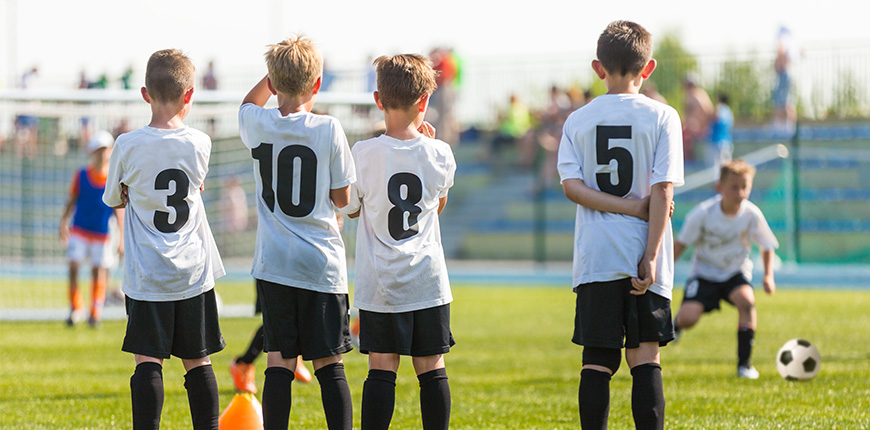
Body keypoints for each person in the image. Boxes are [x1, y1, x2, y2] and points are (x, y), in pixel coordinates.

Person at [557, 21, 684, 430]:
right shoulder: (664, 116)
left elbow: (572, 188)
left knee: (597, 359)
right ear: (648, 69)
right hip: (643, 254)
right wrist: (650, 254)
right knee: (645, 357)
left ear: (598, 68)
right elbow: (662, 191)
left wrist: (623, 208)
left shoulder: (578, 120)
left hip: (597, 256)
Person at [103, 49, 226, 430]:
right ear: (190, 95)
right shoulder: (200, 143)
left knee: (147, 361)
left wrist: (129, 189)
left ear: (144, 94)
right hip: (193, 271)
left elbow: (112, 198)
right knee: (199, 361)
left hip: (148, 273)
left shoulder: (126, 144)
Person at [237, 35, 356, 430]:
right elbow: (341, 198)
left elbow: (247, 104)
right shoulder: (330, 128)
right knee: (329, 362)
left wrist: (272, 77)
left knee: (279, 361)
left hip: (275, 263)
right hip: (321, 262)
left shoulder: (258, 122)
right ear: (317, 85)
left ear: (272, 82)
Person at [340, 54, 456, 430]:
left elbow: (354, 212)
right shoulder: (439, 152)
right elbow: (436, 206)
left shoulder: (362, 153)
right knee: (431, 367)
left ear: (378, 99)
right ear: (424, 101)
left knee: (381, 366)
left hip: (381, 282)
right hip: (426, 278)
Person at [672, 159, 778, 379]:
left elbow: (767, 244)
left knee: (747, 302)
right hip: (704, 274)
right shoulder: (702, 214)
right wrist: (663, 271)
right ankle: (677, 325)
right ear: (719, 187)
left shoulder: (751, 214)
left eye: (744, 187)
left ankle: (744, 365)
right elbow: (680, 244)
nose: (739, 192)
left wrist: (768, 276)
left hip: (734, 273)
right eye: (734, 187)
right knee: (689, 318)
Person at [59, 130, 124, 327]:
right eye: (98, 150)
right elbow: (71, 201)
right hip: (79, 229)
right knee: (73, 266)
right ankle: (75, 308)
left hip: (101, 233)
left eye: (105, 150)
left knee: (99, 270)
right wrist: (63, 223)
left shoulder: (113, 180)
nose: (102, 154)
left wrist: (121, 237)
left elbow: (118, 210)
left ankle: (95, 312)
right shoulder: (81, 175)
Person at [681, 73, 714, 164]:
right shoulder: (692, 95)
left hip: (697, 128)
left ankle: (689, 160)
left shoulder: (697, 95)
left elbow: (707, 110)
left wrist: (701, 124)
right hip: (692, 127)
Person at [773, 26, 797, 135]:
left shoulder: (783, 41)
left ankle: (783, 125)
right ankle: (789, 125)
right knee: (788, 100)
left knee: (782, 100)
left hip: (784, 73)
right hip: (788, 73)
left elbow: (781, 53)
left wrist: (778, 64)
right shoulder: (791, 42)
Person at [708, 94, 734, 169]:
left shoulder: (719, 109)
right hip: (727, 141)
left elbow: (716, 118)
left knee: (716, 167)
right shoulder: (729, 111)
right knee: (727, 167)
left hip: (717, 141)